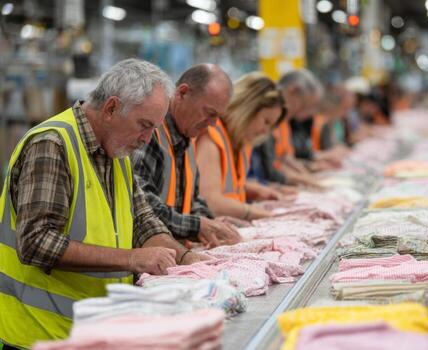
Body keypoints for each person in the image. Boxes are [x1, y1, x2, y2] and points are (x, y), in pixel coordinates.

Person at [0, 59, 207, 349]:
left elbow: (144, 222)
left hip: (94, 332)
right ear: (111, 108)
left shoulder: (117, 151)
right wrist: (131, 258)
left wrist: (186, 261)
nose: (147, 140)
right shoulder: (52, 145)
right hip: (40, 333)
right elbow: (36, 242)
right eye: (144, 125)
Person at [132, 64, 242, 248]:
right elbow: (141, 203)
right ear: (182, 93)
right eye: (209, 113)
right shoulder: (151, 134)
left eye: (218, 117)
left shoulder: (187, 139)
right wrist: (197, 226)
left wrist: (210, 222)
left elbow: (193, 198)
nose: (214, 124)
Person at [196, 72, 286, 220]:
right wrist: (258, 213)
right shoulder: (210, 138)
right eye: (266, 121)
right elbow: (210, 201)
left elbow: (224, 186)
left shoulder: (239, 142)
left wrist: (251, 189)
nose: (266, 131)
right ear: (247, 109)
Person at [250, 69, 324, 187]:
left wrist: (305, 175)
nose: (301, 113)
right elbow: (269, 170)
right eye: (303, 105)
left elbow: (284, 158)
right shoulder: (268, 118)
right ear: (293, 90)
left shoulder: (284, 121)